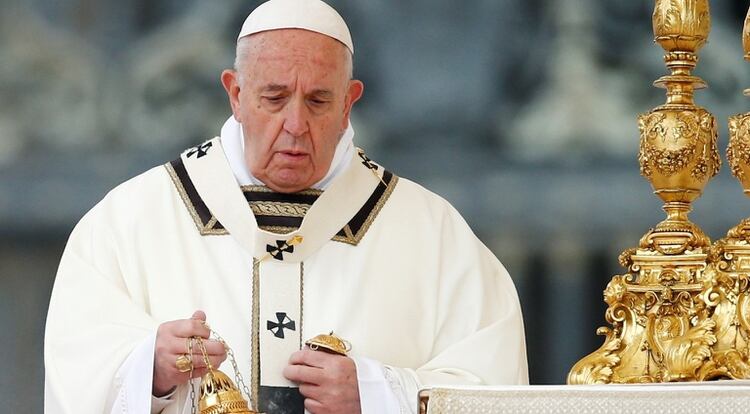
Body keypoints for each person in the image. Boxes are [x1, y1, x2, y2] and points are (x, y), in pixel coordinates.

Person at [44, 0, 528, 413]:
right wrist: (147, 370)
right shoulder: (131, 220)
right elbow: (75, 367)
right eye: (274, 98)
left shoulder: (432, 233)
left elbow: (498, 391)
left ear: (349, 103)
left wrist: (382, 396)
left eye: (318, 101)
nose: (296, 124)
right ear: (234, 93)